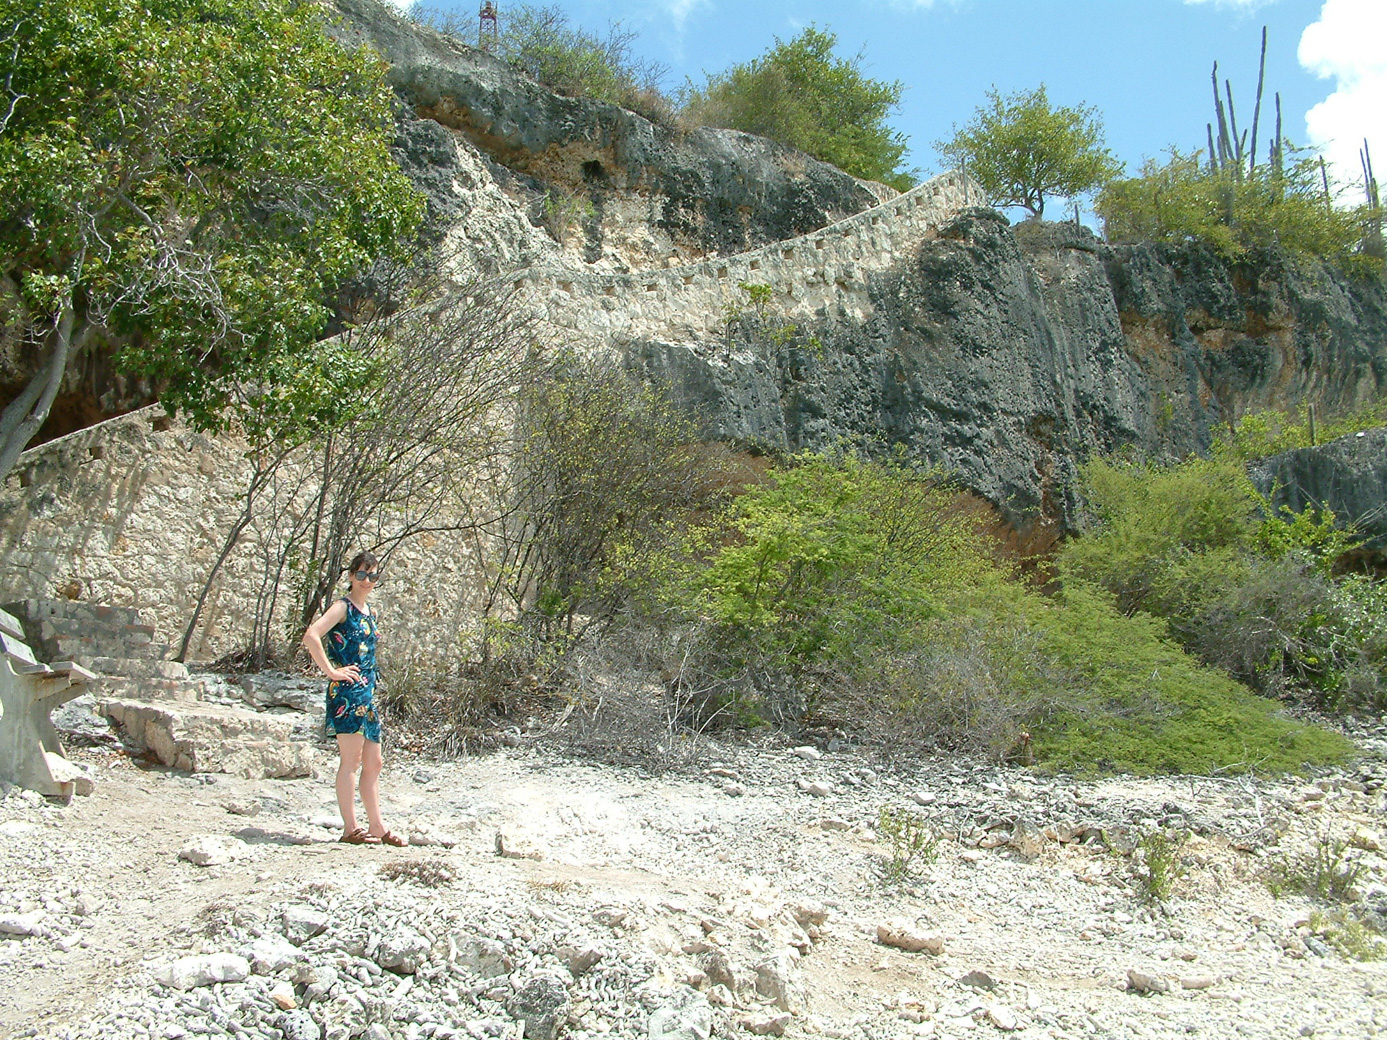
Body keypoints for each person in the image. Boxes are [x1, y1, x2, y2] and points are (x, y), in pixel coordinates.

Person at [303, 551, 406, 847]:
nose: (367, 581)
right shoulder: (342, 607)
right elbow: (312, 635)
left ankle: (377, 826)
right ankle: (350, 828)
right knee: (351, 760)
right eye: (361, 574)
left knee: (374, 761)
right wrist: (332, 671)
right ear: (350, 576)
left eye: (373, 576)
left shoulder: (370, 613)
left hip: (367, 694)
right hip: (347, 693)